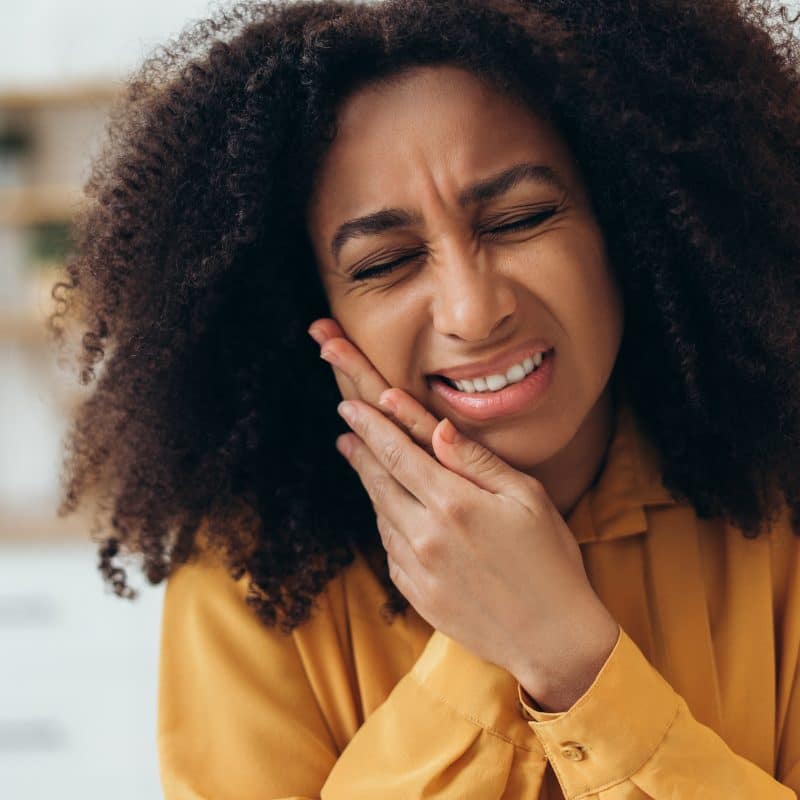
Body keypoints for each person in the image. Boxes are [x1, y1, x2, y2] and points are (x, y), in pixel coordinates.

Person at [49, 0, 800, 796]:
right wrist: (495, 645)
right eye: (384, 263)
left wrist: (575, 664)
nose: (475, 313)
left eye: (522, 217)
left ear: (629, 218)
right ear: (315, 312)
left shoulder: (779, 511)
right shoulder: (246, 581)